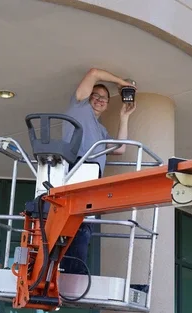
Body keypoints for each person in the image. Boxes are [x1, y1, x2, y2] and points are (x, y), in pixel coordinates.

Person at [60, 68, 137, 274]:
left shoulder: (101, 130)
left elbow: (120, 149)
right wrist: (123, 84)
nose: (101, 100)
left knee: (84, 227)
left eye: (105, 98)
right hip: (75, 170)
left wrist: (124, 117)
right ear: (88, 97)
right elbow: (94, 72)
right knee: (75, 224)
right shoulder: (78, 107)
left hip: (91, 177)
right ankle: (72, 272)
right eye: (96, 96)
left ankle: (73, 271)